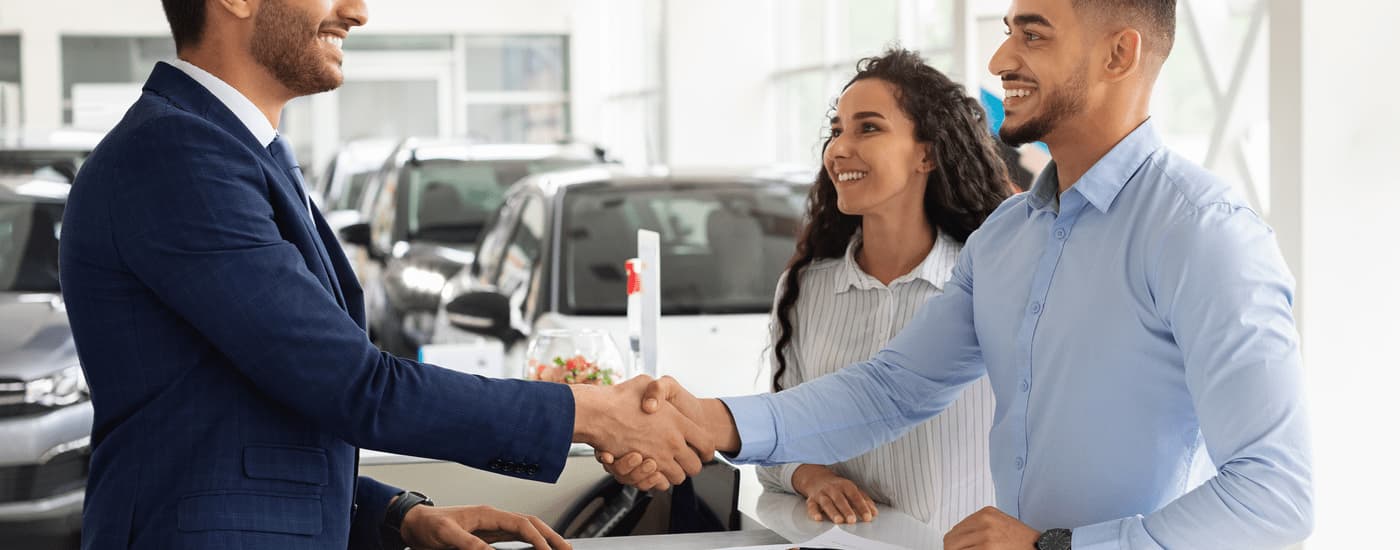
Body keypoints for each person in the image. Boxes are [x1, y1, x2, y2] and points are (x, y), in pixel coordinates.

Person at [602, 0, 1314, 548]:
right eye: (1008, 29)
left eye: (1033, 34)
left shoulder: (1204, 233)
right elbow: (893, 387)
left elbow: (1275, 490)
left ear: (1118, 54)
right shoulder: (1007, 237)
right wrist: (713, 421)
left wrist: (1059, 547)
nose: (1002, 56)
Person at [59, 1, 711, 549]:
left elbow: (240, 418)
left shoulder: (226, 150)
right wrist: (592, 412)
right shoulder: (178, 158)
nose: (358, 12)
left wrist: (394, 514)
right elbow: (354, 384)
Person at [754, 49, 1010, 530]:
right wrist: (814, 478)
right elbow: (777, 442)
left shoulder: (993, 282)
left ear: (927, 154)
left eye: (867, 128)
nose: (838, 148)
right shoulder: (806, 288)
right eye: (836, 131)